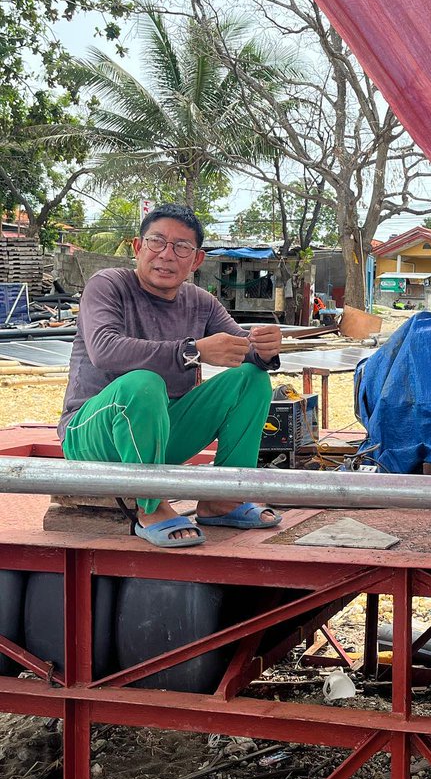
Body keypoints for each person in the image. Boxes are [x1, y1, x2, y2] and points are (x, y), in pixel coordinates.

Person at [58, 203, 284, 548]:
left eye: (181, 247)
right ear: (138, 247)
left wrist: (265, 349)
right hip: (90, 434)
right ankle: (151, 505)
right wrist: (193, 351)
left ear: (195, 260)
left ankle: (223, 497)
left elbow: (244, 348)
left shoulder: (201, 302)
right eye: (157, 242)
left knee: (251, 378)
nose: (166, 255)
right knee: (144, 382)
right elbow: (105, 349)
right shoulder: (108, 285)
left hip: (160, 437)